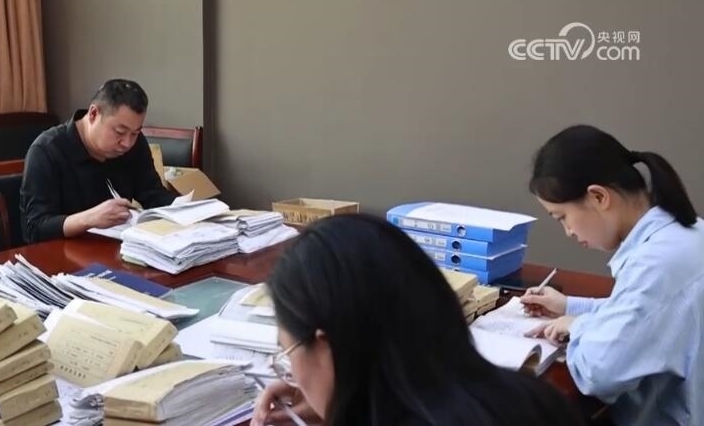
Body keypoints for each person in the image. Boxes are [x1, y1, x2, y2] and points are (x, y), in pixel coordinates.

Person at [251, 213, 583, 426]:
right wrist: (340, 399)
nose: (293, 375)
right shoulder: (535, 401)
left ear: (328, 349)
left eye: (288, 357)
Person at [520, 125, 703, 426]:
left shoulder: (655, 264)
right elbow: (647, 313)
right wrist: (569, 307)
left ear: (598, 196)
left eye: (562, 217)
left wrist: (579, 326)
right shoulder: (687, 232)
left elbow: (599, 373)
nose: (568, 232)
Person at [19, 79, 176, 244]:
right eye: (119, 132)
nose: (127, 143)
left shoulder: (134, 145)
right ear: (93, 114)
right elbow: (34, 228)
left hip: (119, 249)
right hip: (64, 253)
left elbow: (153, 194)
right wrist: (90, 218)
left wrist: (187, 209)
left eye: (135, 133)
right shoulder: (47, 151)